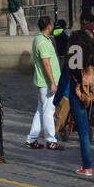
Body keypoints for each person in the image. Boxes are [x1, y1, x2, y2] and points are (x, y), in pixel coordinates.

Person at [60, 29, 94, 176]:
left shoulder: (74, 54)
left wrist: (57, 99)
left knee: (83, 132)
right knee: (88, 128)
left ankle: (87, 166)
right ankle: (92, 165)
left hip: (77, 95)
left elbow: (65, 78)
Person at [25, 16, 61, 150]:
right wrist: (53, 82)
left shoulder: (38, 39)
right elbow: (46, 63)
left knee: (41, 110)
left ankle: (31, 138)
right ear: (49, 26)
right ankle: (51, 139)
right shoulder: (44, 43)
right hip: (46, 83)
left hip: (42, 81)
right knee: (48, 111)